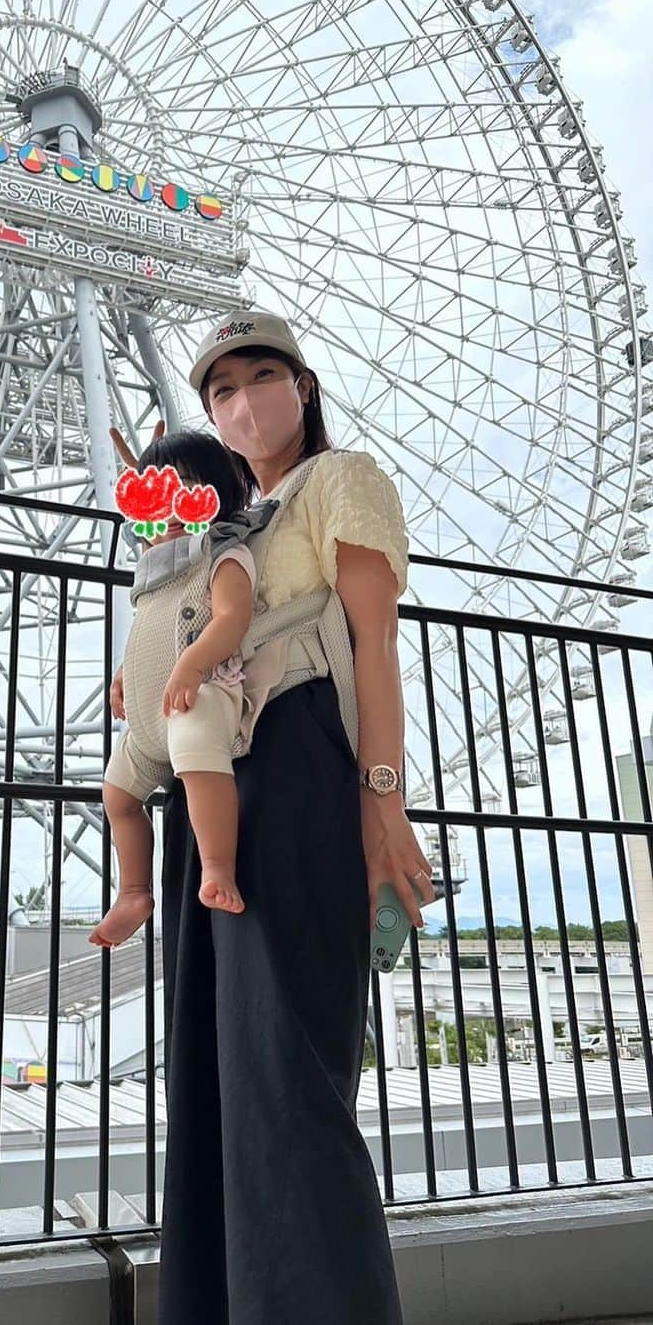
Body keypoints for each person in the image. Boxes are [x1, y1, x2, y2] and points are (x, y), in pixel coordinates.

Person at [106, 309, 436, 1324]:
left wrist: (383, 808)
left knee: (287, 1084)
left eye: (261, 376)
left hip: (298, 771)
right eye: (219, 390)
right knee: (211, 1082)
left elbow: (372, 648)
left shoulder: (340, 482)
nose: (242, 401)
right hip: (214, 790)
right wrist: (149, 485)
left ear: (303, 386)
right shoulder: (223, 530)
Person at [91, 431, 258, 950]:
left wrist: (192, 664)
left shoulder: (223, 558)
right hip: (148, 718)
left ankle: (216, 866)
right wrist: (122, 678)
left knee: (197, 757)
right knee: (117, 797)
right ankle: (134, 891)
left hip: (203, 695)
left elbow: (232, 617)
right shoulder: (154, 575)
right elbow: (145, 637)